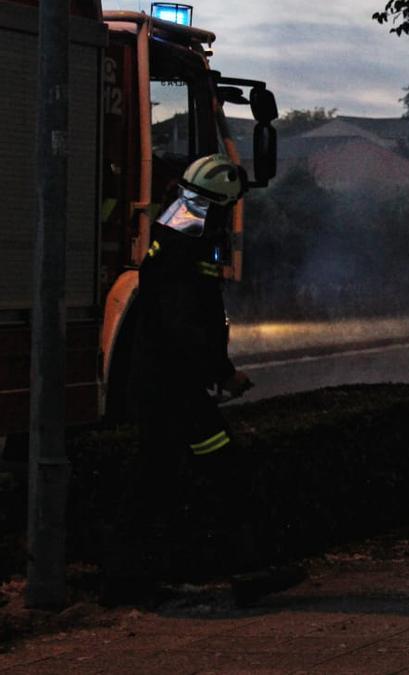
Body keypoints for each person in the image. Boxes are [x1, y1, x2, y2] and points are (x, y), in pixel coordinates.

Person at [107, 154, 302, 606]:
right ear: (218, 202)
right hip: (173, 391)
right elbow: (186, 323)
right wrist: (224, 373)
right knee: (214, 473)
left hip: (170, 388)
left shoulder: (175, 227)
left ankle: (133, 581)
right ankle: (248, 570)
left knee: (160, 480)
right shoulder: (186, 245)